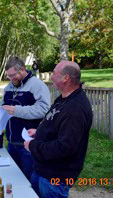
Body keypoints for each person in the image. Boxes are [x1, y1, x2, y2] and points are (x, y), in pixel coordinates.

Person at [24, 61, 93, 198]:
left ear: (65, 78)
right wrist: (39, 131)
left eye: (54, 73)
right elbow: (56, 124)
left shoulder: (75, 108)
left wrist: (33, 146)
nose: (51, 77)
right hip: (43, 171)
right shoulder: (63, 99)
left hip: (55, 178)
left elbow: (65, 147)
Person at [0, 57, 51, 180]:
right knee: (13, 181)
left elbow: (44, 109)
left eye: (12, 75)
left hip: (29, 145)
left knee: (28, 182)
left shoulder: (37, 85)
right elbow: (3, 108)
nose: (10, 79)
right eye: (8, 76)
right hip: (11, 143)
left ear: (22, 69)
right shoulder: (9, 87)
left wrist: (18, 111)